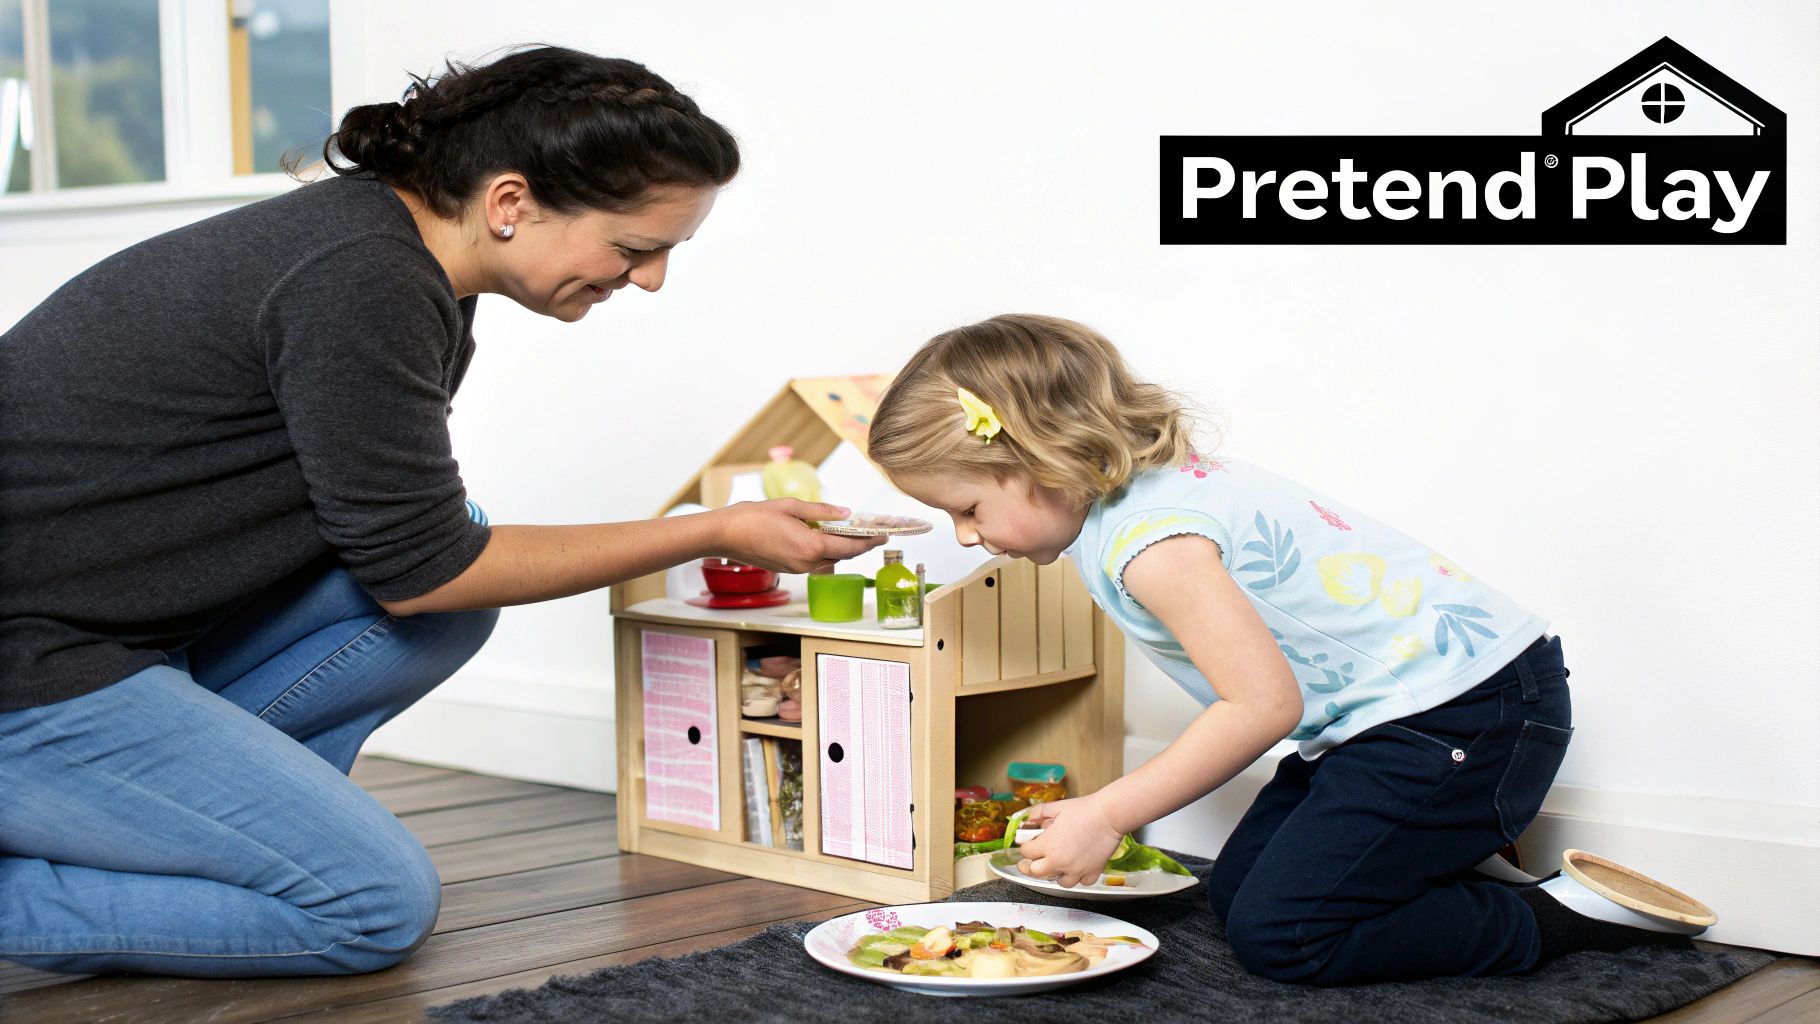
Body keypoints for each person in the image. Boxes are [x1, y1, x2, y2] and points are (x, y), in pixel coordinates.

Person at [0, 46, 878, 978]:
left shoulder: (395, 260)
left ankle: (180, 823)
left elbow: (419, 554)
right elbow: (425, 573)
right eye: (633, 248)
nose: (651, 278)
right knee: (371, 905)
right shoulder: (360, 279)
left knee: (450, 581)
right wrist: (714, 529)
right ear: (509, 204)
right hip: (33, 658)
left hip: (117, 633)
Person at [867, 313, 1702, 985]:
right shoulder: (1130, 505)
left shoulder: (1154, 542)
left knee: (1286, 935)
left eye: (968, 508)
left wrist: (1111, 811)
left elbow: (1264, 706)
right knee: (1232, 896)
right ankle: (1433, 863)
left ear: (1043, 458)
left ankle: (1556, 915)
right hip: (1398, 722)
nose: (967, 537)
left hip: (1472, 714)